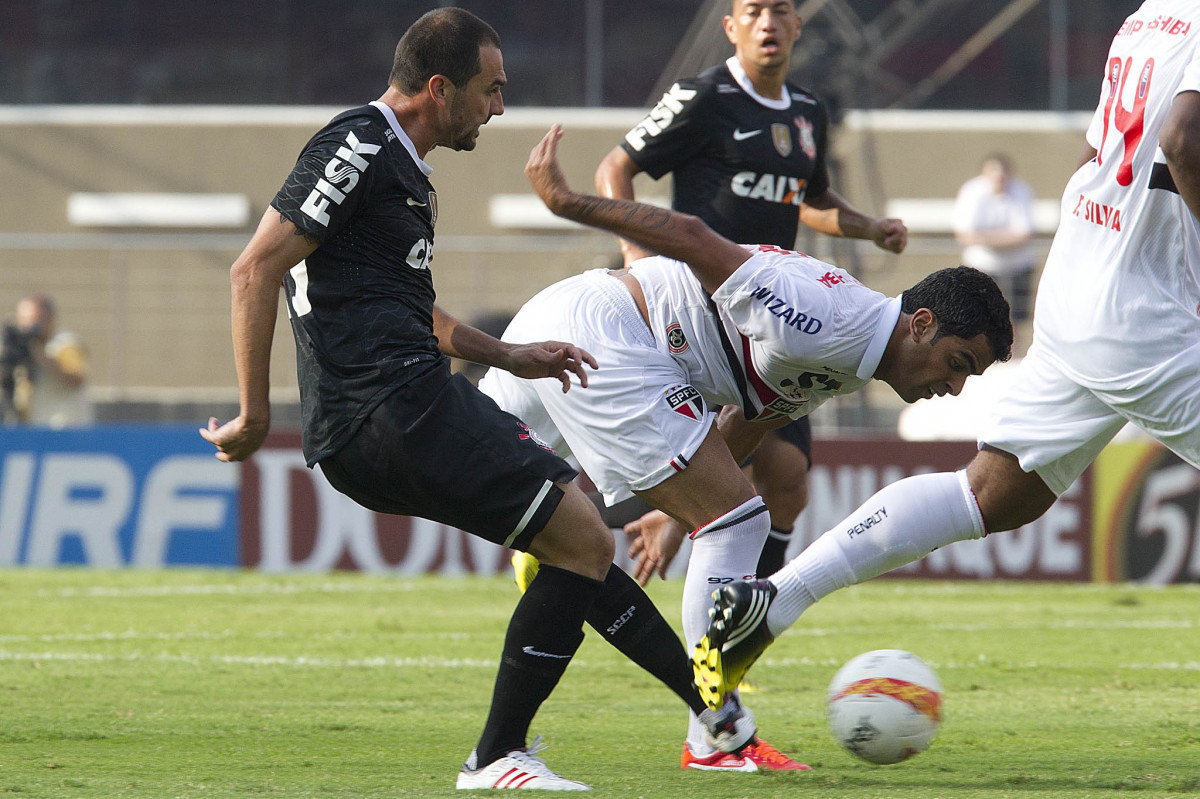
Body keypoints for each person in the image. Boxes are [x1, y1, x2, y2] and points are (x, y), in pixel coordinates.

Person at [199, 9, 752, 792]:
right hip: (391, 406)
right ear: (437, 88)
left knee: (578, 539)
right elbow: (254, 269)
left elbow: (410, 308)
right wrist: (256, 415)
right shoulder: (358, 142)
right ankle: (499, 755)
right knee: (581, 535)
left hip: (396, 407)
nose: (498, 109)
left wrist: (510, 354)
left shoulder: (404, 170)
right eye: (490, 91)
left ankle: (715, 714)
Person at [691, 0, 1200, 725]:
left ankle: (771, 603)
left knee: (994, 493)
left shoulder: (1154, 14)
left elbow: (1098, 157)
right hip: (1149, 310)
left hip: (1081, 276)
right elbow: (1184, 139)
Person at [483, 124, 1011, 766]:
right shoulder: (824, 318)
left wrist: (679, 521)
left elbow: (749, 422)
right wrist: (572, 205)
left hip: (588, 332)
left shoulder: (852, 352)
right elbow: (695, 239)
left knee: (492, 484)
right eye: (957, 363)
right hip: (607, 333)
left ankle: (553, 685)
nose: (954, 387)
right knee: (738, 520)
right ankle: (711, 736)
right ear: (921, 324)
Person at [593, 0, 909, 590]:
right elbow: (614, 171)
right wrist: (639, 261)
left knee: (787, 477)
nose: (768, 22)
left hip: (779, 322)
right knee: (704, 476)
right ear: (731, 27)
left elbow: (811, 201)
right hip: (700, 315)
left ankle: (747, 616)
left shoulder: (810, 112)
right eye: (754, 10)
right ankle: (564, 535)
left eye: (780, 10)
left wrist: (869, 226)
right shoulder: (703, 97)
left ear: (797, 25)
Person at [953, 153, 1038, 326]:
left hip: (1018, 266)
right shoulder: (972, 191)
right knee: (980, 317)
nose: (999, 176)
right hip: (982, 266)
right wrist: (1004, 238)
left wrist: (984, 238)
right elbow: (964, 234)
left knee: (1016, 320)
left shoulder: (1021, 190)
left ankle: (1015, 354)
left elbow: (1023, 234)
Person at [0, 295, 91, 427]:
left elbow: (77, 379)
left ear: (50, 319)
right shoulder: (20, 349)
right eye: (23, 321)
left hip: (65, 431)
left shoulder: (64, 344)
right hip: (35, 430)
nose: (27, 327)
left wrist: (42, 356)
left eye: (34, 320)